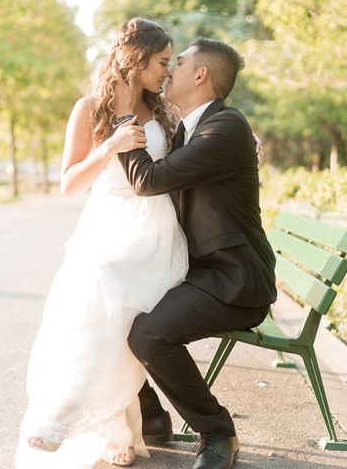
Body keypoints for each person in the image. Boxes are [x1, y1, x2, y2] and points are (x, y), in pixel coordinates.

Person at [16, 18, 189, 468]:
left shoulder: (165, 110)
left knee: (112, 301)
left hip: (156, 231)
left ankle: (70, 415)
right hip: (106, 225)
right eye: (162, 63)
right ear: (136, 59)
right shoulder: (89, 108)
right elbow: (70, 184)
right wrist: (110, 143)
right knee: (90, 310)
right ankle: (103, 425)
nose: (167, 73)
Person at [115, 37, 276, 469]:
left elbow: (147, 180)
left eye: (178, 62)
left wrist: (124, 124)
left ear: (201, 75)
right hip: (196, 271)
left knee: (150, 334)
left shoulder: (225, 128)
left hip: (234, 281)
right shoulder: (192, 126)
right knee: (110, 308)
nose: (169, 70)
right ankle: (151, 417)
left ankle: (217, 431)